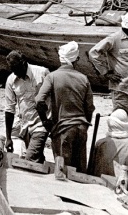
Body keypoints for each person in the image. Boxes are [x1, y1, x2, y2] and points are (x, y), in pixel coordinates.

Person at [35, 41, 95, 172]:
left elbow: (39, 100)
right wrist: (85, 124)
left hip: (63, 130)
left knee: (63, 172)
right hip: (81, 128)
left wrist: (45, 121)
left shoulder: (52, 77)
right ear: (76, 60)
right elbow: (89, 108)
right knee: (80, 172)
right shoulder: (83, 78)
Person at [89, 11, 128, 141]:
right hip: (122, 89)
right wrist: (106, 72)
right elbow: (94, 53)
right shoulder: (114, 38)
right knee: (119, 124)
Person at [3, 50, 50, 162]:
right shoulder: (11, 80)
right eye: (12, 70)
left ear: (23, 62)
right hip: (25, 126)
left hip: (41, 124)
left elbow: (55, 96)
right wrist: (8, 138)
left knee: (31, 158)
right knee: (37, 157)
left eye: (16, 69)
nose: (14, 73)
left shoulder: (42, 73)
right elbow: (9, 110)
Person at [90, 109, 128, 181]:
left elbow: (92, 170)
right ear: (126, 125)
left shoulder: (100, 143)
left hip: (101, 185)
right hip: (125, 187)